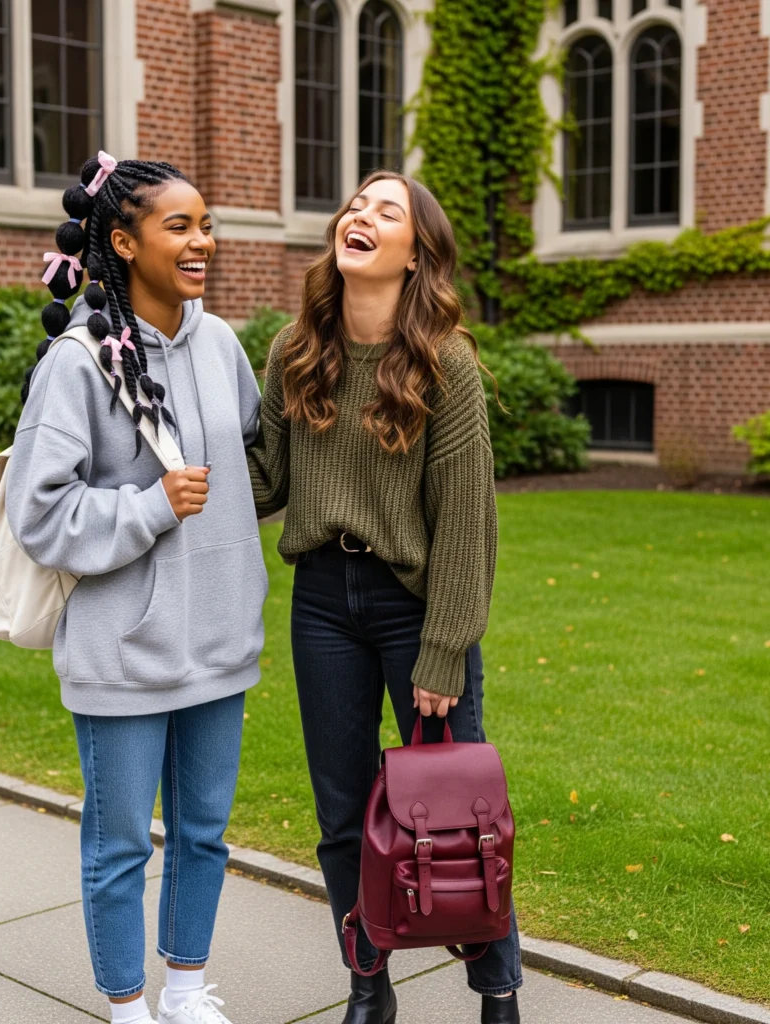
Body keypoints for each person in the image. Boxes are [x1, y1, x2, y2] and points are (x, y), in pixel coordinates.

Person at [247, 170, 522, 1024]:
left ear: (415, 255)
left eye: (386, 211)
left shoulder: (447, 365)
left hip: (415, 605)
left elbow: (468, 527)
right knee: (340, 813)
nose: (360, 217)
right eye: (357, 205)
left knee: (461, 814)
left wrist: (443, 649)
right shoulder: (296, 350)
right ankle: (369, 985)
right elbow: (263, 485)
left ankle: (497, 990)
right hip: (323, 600)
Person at [7, 154, 266, 1024]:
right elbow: (39, 513)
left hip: (220, 639)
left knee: (204, 835)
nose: (204, 242)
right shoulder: (80, 365)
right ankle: (127, 1005)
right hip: (123, 649)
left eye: (206, 224)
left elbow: (252, 468)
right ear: (123, 241)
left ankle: (186, 991)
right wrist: (150, 507)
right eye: (180, 227)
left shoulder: (223, 345)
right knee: (119, 844)